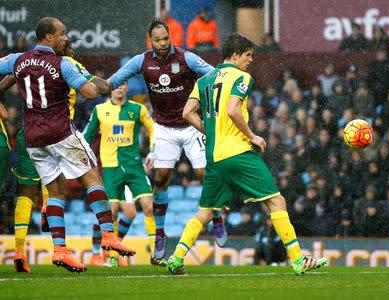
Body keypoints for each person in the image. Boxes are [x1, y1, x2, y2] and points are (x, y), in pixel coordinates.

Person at [166, 33, 327, 276]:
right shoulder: (241, 77)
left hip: (214, 158)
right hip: (239, 153)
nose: (251, 60)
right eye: (248, 55)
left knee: (207, 211)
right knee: (276, 201)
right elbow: (232, 109)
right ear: (236, 54)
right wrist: (252, 136)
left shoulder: (204, 80)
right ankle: (296, 259)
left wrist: (208, 130)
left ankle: (177, 258)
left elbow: (188, 112)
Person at [0, 17, 135, 272]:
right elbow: (90, 93)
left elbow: (2, 69)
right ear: (49, 37)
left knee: (56, 191)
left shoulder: (18, 59)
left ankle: (60, 250)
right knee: (93, 179)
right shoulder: (63, 64)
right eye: (62, 33)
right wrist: (89, 81)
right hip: (61, 133)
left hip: (34, 139)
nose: (65, 37)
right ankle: (108, 234)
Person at [106, 19, 227, 262]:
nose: (162, 43)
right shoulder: (142, 61)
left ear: (171, 37)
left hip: (192, 125)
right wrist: (89, 84)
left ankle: (216, 218)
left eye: (166, 39)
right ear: (150, 40)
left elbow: (215, 75)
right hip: (163, 127)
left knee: (205, 174)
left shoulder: (186, 58)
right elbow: (113, 80)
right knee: (161, 178)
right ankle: (160, 233)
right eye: (157, 40)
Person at [83, 82, 155, 267]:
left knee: (136, 211)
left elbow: (152, 128)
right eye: (116, 85)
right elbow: (87, 137)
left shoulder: (137, 109)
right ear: (110, 89)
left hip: (133, 167)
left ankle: (152, 253)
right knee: (111, 211)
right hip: (111, 167)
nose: (119, 89)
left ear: (127, 88)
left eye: (123, 85)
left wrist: (153, 151)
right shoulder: (100, 110)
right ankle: (100, 253)